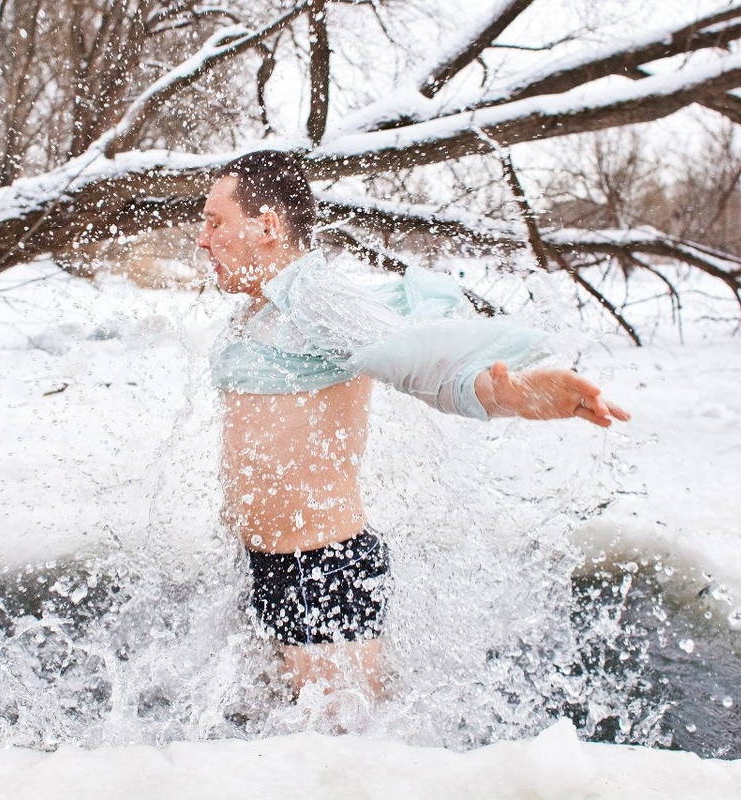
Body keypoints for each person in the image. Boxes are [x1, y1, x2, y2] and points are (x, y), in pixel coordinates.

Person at [197, 150, 629, 700]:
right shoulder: (256, 309)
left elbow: (420, 362)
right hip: (264, 564)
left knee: (342, 763)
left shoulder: (318, 299)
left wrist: (504, 392)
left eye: (215, 222)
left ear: (267, 226)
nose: (203, 240)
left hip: (319, 570)